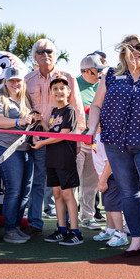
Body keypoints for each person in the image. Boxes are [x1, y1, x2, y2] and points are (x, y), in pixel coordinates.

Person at [86, 35, 140, 259]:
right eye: (130, 47)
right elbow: (96, 105)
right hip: (116, 144)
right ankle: (135, 239)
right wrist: (91, 128)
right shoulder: (110, 77)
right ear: (122, 52)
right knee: (128, 193)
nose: (136, 51)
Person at [23, 39, 85, 234]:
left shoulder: (67, 78)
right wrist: (32, 133)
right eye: (40, 52)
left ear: (55, 54)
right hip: (38, 137)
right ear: (34, 56)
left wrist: (77, 139)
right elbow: (25, 108)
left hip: (64, 140)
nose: (45, 54)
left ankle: (68, 227)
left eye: (49, 51)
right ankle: (35, 223)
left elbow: (78, 109)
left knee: (65, 186)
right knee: (38, 181)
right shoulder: (27, 79)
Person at [0, 66, 38, 244]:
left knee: (25, 190)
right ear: (5, 82)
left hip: (25, 147)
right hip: (4, 147)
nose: (16, 83)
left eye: (18, 80)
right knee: (14, 189)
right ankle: (9, 230)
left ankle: (15, 227)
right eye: (12, 80)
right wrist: (19, 121)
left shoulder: (25, 98)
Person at [32, 76, 83, 246]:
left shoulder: (69, 110)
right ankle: (61, 229)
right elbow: (52, 132)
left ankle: (75, 231)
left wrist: (42, 143)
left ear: (68, 92)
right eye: (55, 89)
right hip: (52, 158)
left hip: (65, 158)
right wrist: (42, 122)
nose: (59, 91)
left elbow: (63, 134)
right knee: (56, 194)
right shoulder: (54, 111)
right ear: (50, 93)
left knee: (68, 194)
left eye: (62, 88)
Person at [75, 53, 106, 230]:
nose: (100, 73)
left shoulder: (102, 86)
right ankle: (69, 220)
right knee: (72, 183)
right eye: (98, 70)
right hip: (77, 141)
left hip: (96, 142)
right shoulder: (73, 84)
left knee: (90, 184)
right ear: (87, 71)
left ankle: (87, 217)